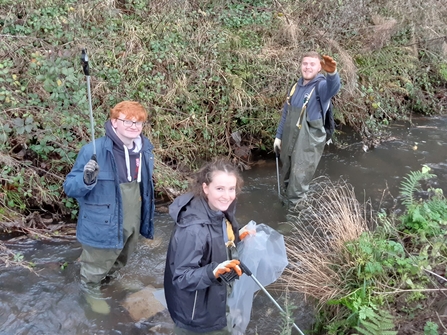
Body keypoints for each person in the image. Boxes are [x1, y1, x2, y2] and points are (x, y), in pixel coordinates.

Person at [64, 101, 155, 290]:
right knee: (95, 267)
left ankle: (109, 282)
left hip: (133, 218)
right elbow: (70, 188)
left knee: (121, 258)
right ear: (114, 122)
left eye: (138, 123)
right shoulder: (93, 150)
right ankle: (89, 291)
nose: (133, 127)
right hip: (102, 223)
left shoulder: (145, 150)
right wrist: (86, 180)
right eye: (127, 121)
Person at [164, 158, 246, 334]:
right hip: (196, 316)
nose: (227, 195)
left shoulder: (221, 210)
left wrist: (239, 237)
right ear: (205, 188)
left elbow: (219, 241)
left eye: (231, 189)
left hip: (214, 299)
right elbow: (181, 277)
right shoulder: (193, 229)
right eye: (220, 189)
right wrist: (213, 272)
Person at [273, 52, 341, 207]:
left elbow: (334, 87)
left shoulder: (321, 87)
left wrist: (332, 74)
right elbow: (286, 113)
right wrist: (279, 136)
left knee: (298, 182)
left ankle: (294, 221)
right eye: (305, 63)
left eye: (312, 64)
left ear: (319, 68)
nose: (308, 67)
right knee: (286, 175)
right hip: (290, 138)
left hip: (308, 143)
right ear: (300, 65)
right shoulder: (295, 87)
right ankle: (283, 207)